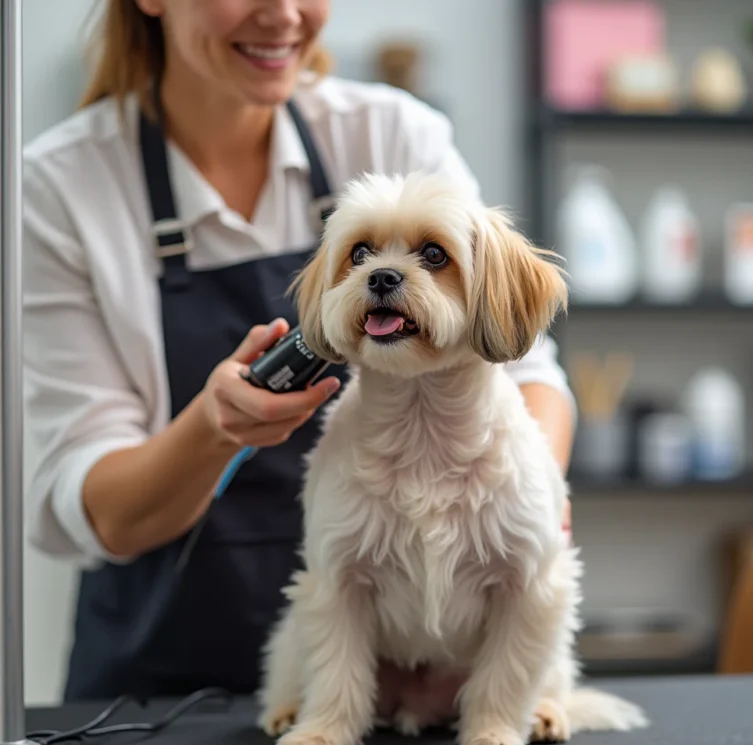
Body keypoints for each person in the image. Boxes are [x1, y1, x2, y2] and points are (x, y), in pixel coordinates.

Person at [22, 0, 576, 702]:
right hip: (160, 669)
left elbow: (525, 369)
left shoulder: (392, 130)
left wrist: (526, 511)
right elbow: (96, 507)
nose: (284, 16)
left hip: (402, 672)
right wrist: (213, 428)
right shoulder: (58, 185)